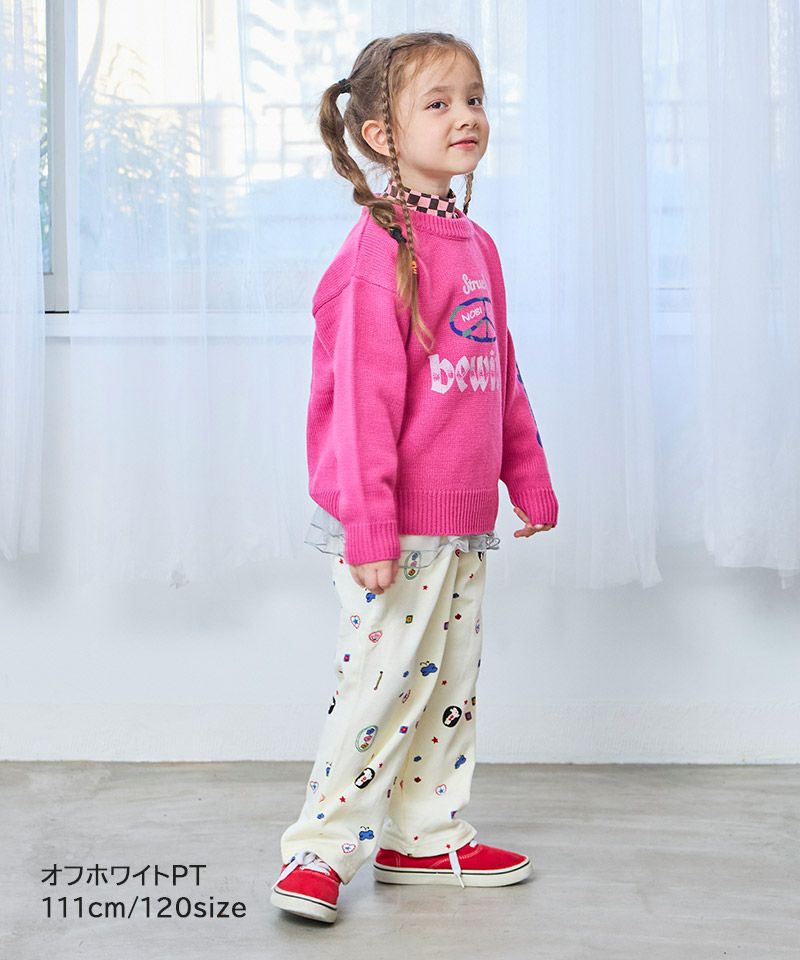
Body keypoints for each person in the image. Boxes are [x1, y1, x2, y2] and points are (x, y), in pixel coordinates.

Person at [271, 31, 558, 924]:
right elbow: (359, 407)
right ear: (383, 134)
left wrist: (527, 476)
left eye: (474, 98)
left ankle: (424, 835)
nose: (466, 115)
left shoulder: (476, 245)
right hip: (391, 526)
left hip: (462, 519)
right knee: (381, 687)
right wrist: (368, 525)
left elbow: (499, 376)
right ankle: (320, 851)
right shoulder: (377, 253)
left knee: (445, 686)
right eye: (439, 103)